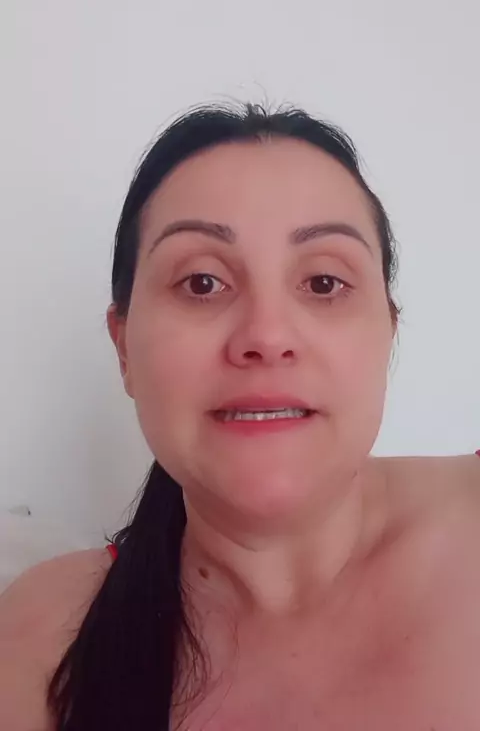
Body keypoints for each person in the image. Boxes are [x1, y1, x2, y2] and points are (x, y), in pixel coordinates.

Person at [1, 102, 479, 731]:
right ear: (124, 349)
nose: (267, 335)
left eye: (324, 283)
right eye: (202, 282)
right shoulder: (45, 639)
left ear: (388, 332)